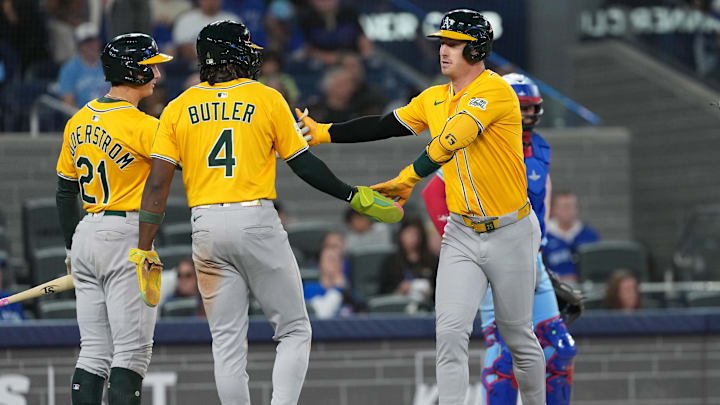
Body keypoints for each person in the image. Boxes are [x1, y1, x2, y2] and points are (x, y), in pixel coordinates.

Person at [131, 20, 401, 405]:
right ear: (235, 54)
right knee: (293, 330)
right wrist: (351, 195)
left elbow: (157, 185)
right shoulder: (266, 97)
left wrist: (145, 246)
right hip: (254, 218)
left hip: (205, 224)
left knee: (226, 341)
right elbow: (304, 165)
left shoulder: (176, 107)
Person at [296, 9, 546, 404]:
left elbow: (452, 139)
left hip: (511, 231)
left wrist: (409, 176)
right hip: (462, 232)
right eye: (441, 43)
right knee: (448, 333)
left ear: (476, 48)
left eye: (452, 44)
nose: (443, 50)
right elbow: (385, 124)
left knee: (517, 335)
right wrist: (324, 132)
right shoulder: (434, 97)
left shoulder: (495, 90)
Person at [422, 73, 577, 405]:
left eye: (529, 109)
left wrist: (540, 260)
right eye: (518, 108)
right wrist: (464, 245)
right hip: (485, 246)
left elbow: (540, 202)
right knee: (504, 352)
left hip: (526, 253)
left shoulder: (541, 147)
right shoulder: (478, 138)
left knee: (560, 347)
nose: (525, 116)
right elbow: (434, 193)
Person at [55, 33, 172, 404]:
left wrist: (70, 246)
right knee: (131, 353)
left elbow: (64, 192)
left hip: (86, 233)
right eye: (151, 66)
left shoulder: (77, 120)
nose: (156, 74)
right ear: (133, 72)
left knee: (93, 351)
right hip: (126, 233)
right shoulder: (144, 125)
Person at [543, 190, 600, 282]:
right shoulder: (545, 235)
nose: (569, 211)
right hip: (555, 289)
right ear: (553, 210)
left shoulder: (589, 234)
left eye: (572, 206)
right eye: (564, 207)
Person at [380, 215, 437, 302]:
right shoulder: (391, 261)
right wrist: (399, 290)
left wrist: (428, 289)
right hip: (398, 308)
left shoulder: (432, 260)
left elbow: (440, 289)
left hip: (427, 307)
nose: (412, 238)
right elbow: (382, 292)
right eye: (408, 233)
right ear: (401, 235)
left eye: (415, 234)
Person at [57, 23, 109, 108]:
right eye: (86, 43)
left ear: (99, 42)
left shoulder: (111, 63)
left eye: (93, 41)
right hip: (84, 117)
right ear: (79, 46)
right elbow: (68, 103)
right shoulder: (69, 69)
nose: (91, 46)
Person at [303, 246, 364, 318]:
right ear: (319, 263)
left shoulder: (349, 291)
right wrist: (337, 288)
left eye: (339, 260)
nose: (336, 263)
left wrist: (344, 289)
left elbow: (362, 314)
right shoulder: (308, 289)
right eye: (331, 259)